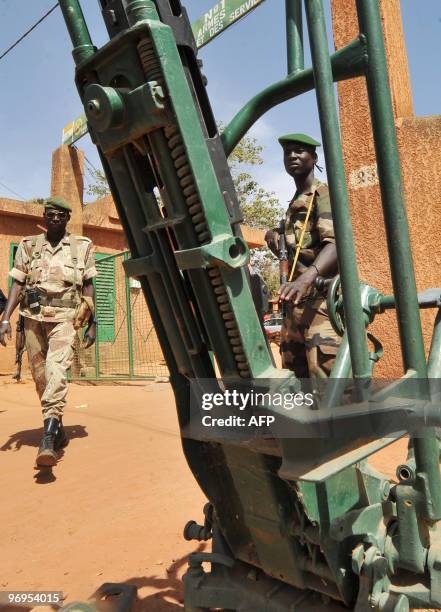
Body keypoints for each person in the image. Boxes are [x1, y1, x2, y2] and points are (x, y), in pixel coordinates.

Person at [0, 197, 97, 467]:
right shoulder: (28, 246)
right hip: (32, 319)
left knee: (56, 371)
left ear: (67, 218)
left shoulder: (82, 246)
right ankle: (59, 428)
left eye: (60, 215)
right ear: (44, 217)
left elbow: (88, 286)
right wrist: (6, 318)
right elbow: (17, 285)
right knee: (41, 378)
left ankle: (47, 438)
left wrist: (93, 322)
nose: (55, 218)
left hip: (65, 319)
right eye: (50, 214)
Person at [265, 133, 341, 378]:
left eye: (300, 151)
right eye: (288, 153)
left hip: (320, 305)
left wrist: (304, 279)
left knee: (330, 386)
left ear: (314, 157)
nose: (293, 156)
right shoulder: (295, 203)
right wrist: (273, 236)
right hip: (293, 308)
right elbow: (299, 247)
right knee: (297, 385)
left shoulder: (324, 195)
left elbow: (335, 244)